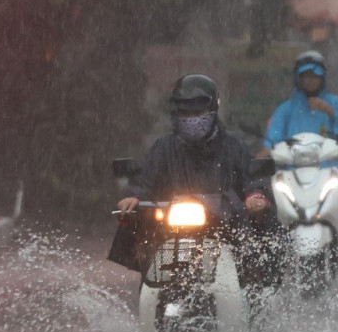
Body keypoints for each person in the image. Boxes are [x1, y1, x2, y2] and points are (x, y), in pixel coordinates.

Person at [116, 74, 282, 289]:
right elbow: (145, 180)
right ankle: (149, 301)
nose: (192, 117)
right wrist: (134, 197)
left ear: (213, 109)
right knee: (144, 244)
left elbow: (253, 176)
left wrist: (255, 196)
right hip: (170, 233)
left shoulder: (233, 145)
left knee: (259, 251)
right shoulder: (164, 147)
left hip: (226, 231)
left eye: (199, 111)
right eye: (185, 111)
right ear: (176, 114)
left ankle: (254, 298)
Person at [266, 51, 338, 248]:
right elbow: (272, 138)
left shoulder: (336, 104)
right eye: (306, 76)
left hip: (329, 171)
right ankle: (274, 258)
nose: (310, 81)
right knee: (271, 210)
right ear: (298, 78)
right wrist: (266, 151)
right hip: (292, 173)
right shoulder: (287, 109)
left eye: (315, 76)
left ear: (323, 78)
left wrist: (331, 113)